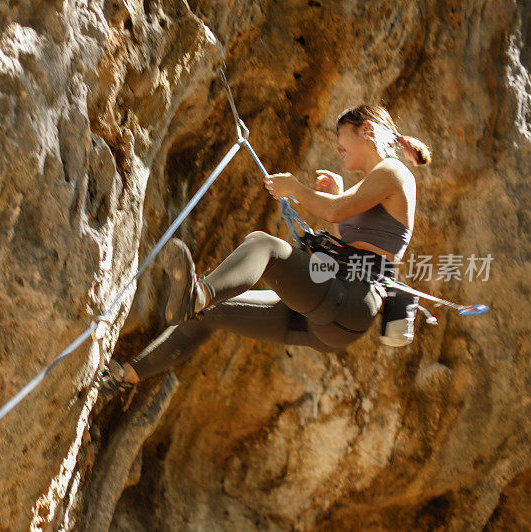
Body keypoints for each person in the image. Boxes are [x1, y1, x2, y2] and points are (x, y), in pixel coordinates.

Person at [99, 104, 432, 396]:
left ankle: (198, 293)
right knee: (211, 313)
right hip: (329, 315)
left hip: (350, 300)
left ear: (367, 131)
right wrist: (339, 194)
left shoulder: (394, 171)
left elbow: (335, 212)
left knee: (265, 246)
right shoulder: (373, 182)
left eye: (341, 137)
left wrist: (297, 189)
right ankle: (124, 377)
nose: (338, 148)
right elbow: (348, 243)